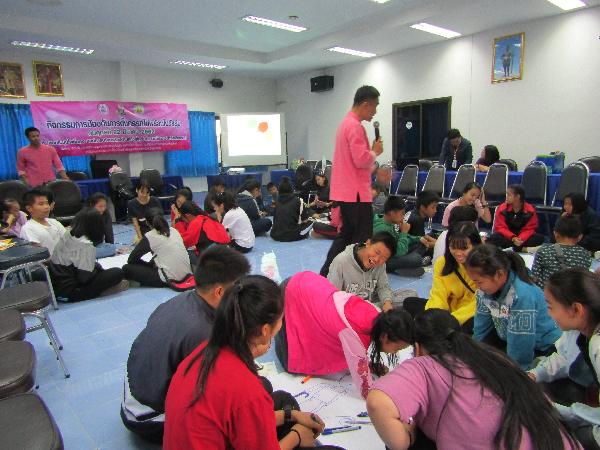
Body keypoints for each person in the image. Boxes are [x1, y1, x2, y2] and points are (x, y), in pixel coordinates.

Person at [367, 309, 579, 450]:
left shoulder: (424, 365)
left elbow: (378, 403)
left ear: (418, 347)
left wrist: (406, 437)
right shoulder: (493, 356)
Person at [164, 275, 327, 450]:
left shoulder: (208, 348)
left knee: (282, 401)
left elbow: (236, 415)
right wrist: (297, 436)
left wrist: (290, 415)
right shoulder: (248, 390)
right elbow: (245, 406)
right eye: (282, 317)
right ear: (265, 331)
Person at [121, 246, 251, 443]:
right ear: (219, 292)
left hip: (131, 401)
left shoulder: (178, 301)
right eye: (238, 288)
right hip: (151, 417)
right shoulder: (204, 333)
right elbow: (215, 391)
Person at [275, 271, 413, 398]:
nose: (394, 353)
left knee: (322, 332)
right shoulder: (355, 335)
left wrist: (371, 366)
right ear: (384, 337)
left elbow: (357, 358)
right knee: (292, 365)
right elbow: (366, 388)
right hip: (292, 291)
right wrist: (388, 397)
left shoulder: (377, 315)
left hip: (311, 284)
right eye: (397, 348)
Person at [529, 268, 600, 449]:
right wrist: (534, 375)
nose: (548, 314)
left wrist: (559, 410)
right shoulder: (581, 328)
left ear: (576, 309)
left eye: (550, 307)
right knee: (539, 368)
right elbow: (564, 357)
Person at [320, 85, 384, 277]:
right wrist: (375, 152)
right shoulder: (355, 126)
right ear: (365, 104)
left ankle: (328, 273)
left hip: (348, 190)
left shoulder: (345, 124)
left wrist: (375, 167)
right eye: (375, 106)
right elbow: (361, 160)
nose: (375, 111)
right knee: (360, 237)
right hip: (355, 193)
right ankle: (342, 274)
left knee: (347, 234)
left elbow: (354, 164)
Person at [466, 244, 562, 370]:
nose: (477, 286)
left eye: (479, 282)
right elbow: (481, 328)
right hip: (510, 338)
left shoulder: (522, 295)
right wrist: (473, 355)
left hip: (542, 347)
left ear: (499, 274)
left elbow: (522, 343)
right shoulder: (484, 291)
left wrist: (515, 372)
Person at [403, 222, 482, 334]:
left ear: (476, 245)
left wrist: (452, 320)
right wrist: (434, 318)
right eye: (453, 247)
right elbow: (438, 295)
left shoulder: (483, 266)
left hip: (470, 314)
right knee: (410, 303)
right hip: (448, 312)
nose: (458, 253)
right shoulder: (442, 263)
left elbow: (479, 303)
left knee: (473, 323)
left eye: (464, 248)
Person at [48, 208, 126, 301]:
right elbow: (84, 278)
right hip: (72, 292)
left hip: (58, 288)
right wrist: (97, 269)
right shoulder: (84, 244)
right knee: (117, 272)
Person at [123, 208, 191, 288]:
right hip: (186, 274)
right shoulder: (174, 230)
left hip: (167, 278)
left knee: (126, 268)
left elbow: (131, 259)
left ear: (147, 223)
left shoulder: (150, 236)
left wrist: (148, 265)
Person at [327, 232, 395, 311]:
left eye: (383, 258)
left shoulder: (381, 264)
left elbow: (383, 287)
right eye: (377, 252)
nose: (377, 259)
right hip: (347, 309)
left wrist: (387, 302)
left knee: (404, 296)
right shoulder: (341, 261)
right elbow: (332, 297)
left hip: (369, 305)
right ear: (368, 243)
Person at [373, 196, 435, 277]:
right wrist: (404, 232)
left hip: (395, 251)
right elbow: (399, 252)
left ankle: (405, 266)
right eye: (402, 213)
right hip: (386, 261)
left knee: (420, 244)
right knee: (416, 258)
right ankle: (404, 266)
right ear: (392, 213)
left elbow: (399, 238)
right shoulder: (383, 229)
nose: (403, 217)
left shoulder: (390, 223)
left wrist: (419, 238)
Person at [531, 216, 592, 289]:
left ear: (555, 234)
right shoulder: (586, 254)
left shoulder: (544, 250)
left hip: (548, 294)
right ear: (580, 237)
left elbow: (535, 278)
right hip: (574, 294)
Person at [487, 184, 544, 252]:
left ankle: (512, 247)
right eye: (506, 194)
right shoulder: (502, 208)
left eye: (509, 195)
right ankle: (521, 248)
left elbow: (530, 229)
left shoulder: (530, 210)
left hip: (522, 237)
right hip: (508, 236)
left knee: (539, 238)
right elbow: (500, 227)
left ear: (517, 197)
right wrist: (513, 237)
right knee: (494, 237)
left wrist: (520, 238)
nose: (506, 197)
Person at [20, 189, 66, 255]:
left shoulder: (54, 222)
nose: (46, 207)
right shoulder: (28, 228)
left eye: (47, 203)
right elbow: (37, 254)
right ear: (29, 208)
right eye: (41, 204)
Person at [270, 177, 313, 242]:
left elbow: (275, 219)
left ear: (279, 190)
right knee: (310, 222)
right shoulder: (298, 200)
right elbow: (305, 220)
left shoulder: (277, 201)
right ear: (292, 189)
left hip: (275, 235)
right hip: (291, 235)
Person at [87, 193, 116, 258]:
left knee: (112, 248)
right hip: (84, 245)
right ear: (92, 205)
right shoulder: (85, 215)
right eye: (100, 206)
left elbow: (109, 232)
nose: (103, 209)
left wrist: (110, 245)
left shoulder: (106, 214)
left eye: (104, 206)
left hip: (98, 245)